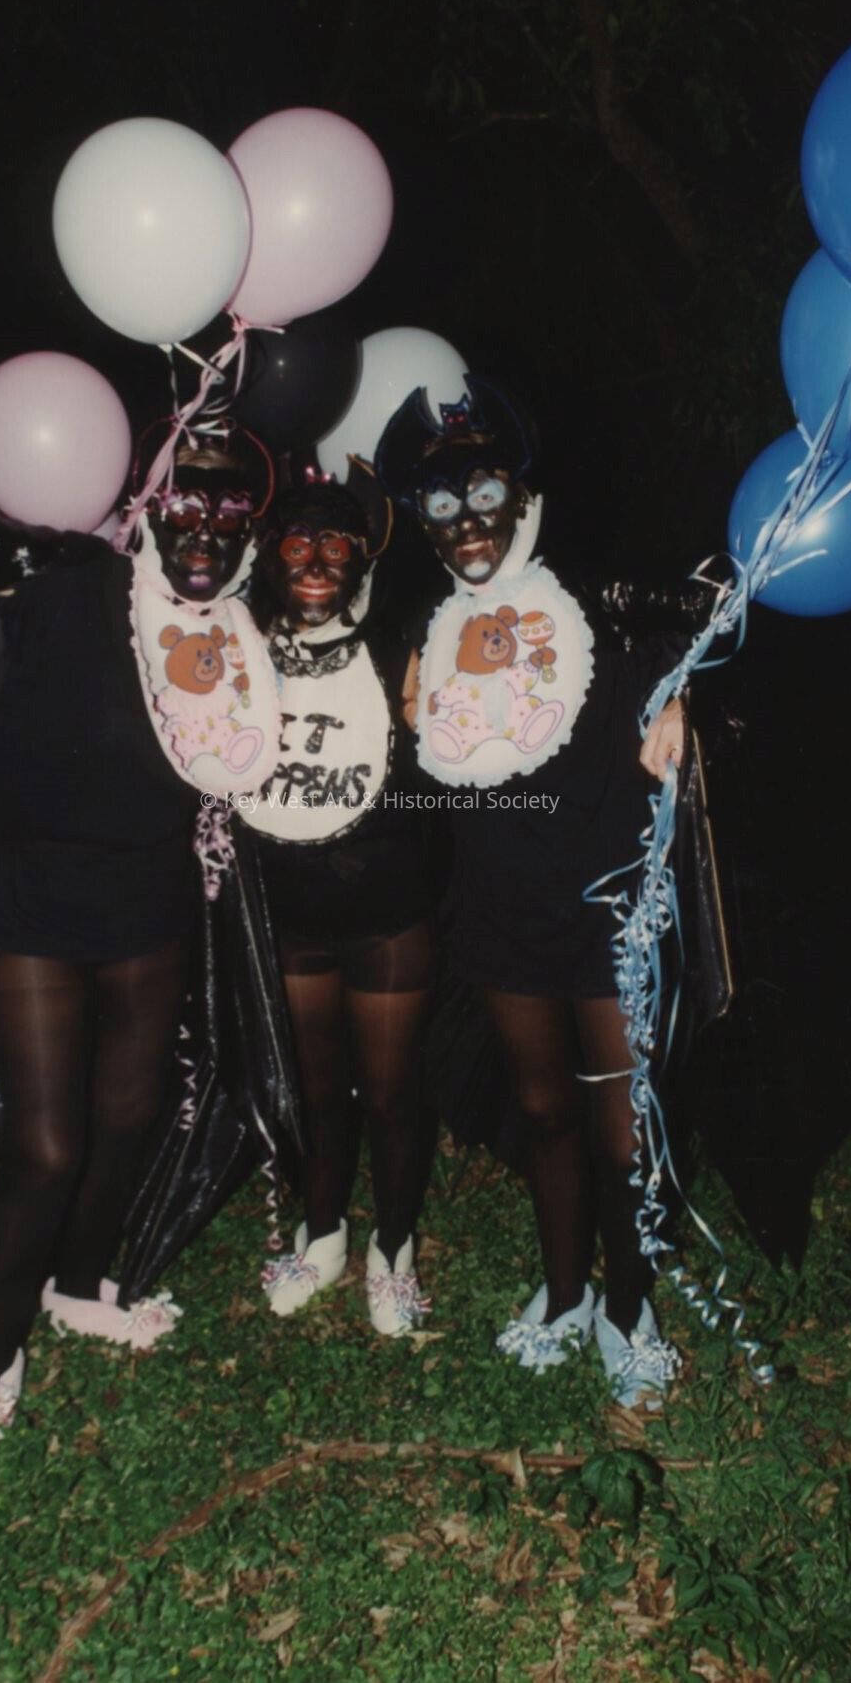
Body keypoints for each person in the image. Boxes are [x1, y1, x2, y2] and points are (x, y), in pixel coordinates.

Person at [0, 420, 281, 1432]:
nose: (206, 528)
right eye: (187, 503)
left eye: (230, 510)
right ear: (149, 506)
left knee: (131, 1113)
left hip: (146, 890)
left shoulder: (239, 627)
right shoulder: (77, 579)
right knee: (48, 1148)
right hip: (33, 888)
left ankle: (80, 1286)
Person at [376, 379, 694, 1409]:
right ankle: (564, 1292)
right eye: (442, 506)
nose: (467, 522)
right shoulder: (427, 626)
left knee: (623, 1127)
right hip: (504, 909)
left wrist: (686, 692)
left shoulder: (594, 596)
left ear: (521, 497)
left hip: (606, 908)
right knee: (545, 1109)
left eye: (484, 495)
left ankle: (627, 1306)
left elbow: (705, 608)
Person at [239, 464, 435, 1337]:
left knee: (388, 1091)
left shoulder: (399, 645)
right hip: (292, 912)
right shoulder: (240, 649)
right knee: (317, 1090)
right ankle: (322, 1232)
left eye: (333, 545)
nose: (315, 562)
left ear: (360, 557)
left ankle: (394, 1247)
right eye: (296, 545)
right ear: (270, 558)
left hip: (386, 908)